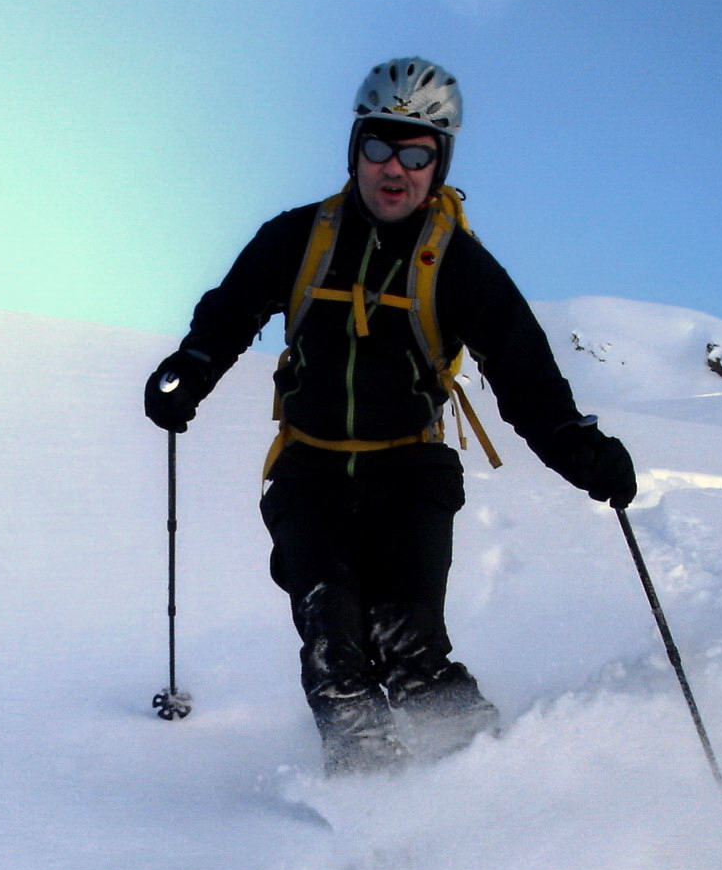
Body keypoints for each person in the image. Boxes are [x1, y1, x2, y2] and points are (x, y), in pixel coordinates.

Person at [144, 57, 637, 775]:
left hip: (409, 470)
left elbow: (526, 375)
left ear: (439, 165)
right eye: (380, 146)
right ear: (356, 150)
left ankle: (486, 787)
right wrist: (190, 368)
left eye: (417, 153)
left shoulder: (460, 266)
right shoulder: (297, 238)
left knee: (408, 646)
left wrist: (577, 447)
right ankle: (373, 819)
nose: (395, 169)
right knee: (332, 644)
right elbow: (231, 310)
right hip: (309, 470)